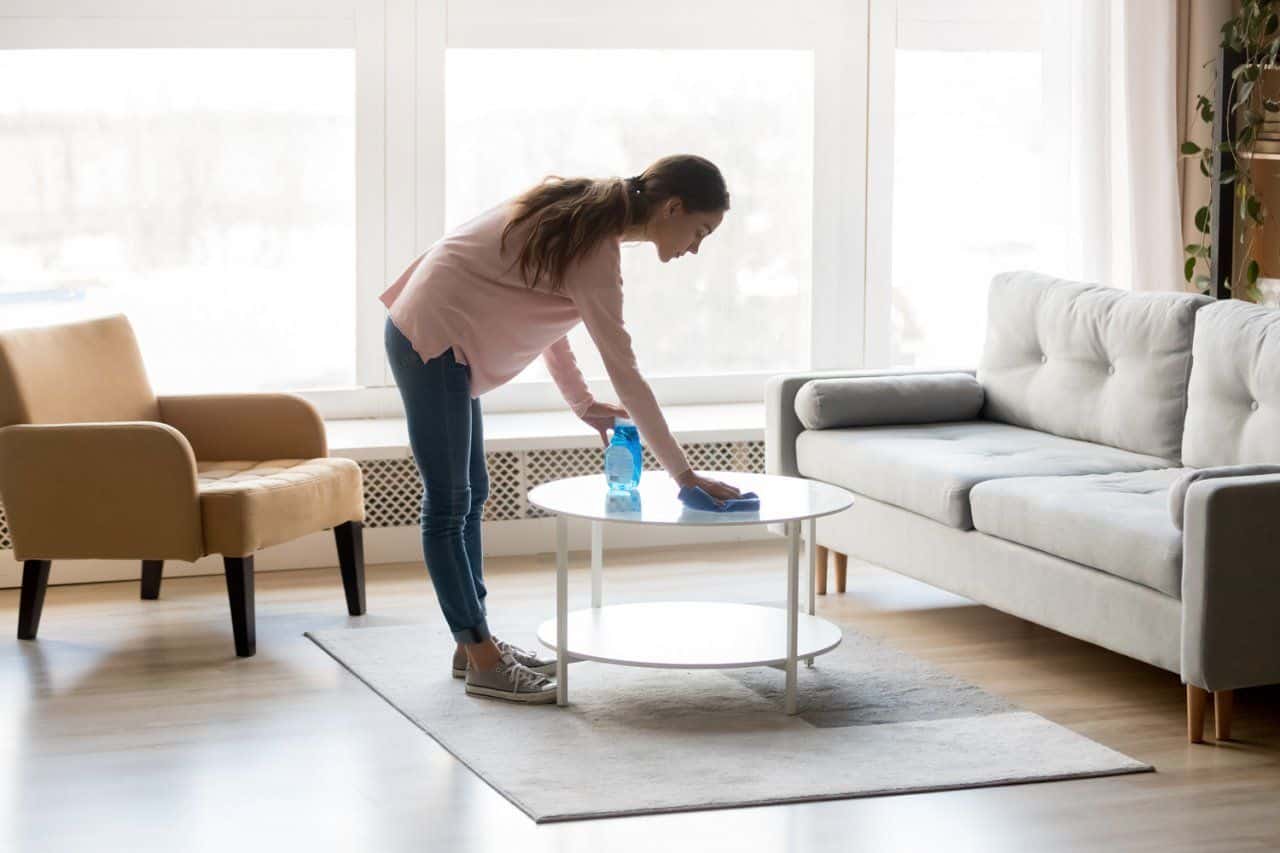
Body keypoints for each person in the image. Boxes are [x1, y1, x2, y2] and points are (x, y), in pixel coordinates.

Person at [380, 154, 743, 704]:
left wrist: (581, 404)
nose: (695, 247)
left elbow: (549, 317)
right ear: (672, 208)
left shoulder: (586, 216)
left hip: (437, 336)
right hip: (431, 339)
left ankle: (472, 643)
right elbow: (627, 373)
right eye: (700, 230)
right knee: (449, 503)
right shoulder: (596, 246)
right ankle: (483, 658)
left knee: (471, 492)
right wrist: (683, 473)